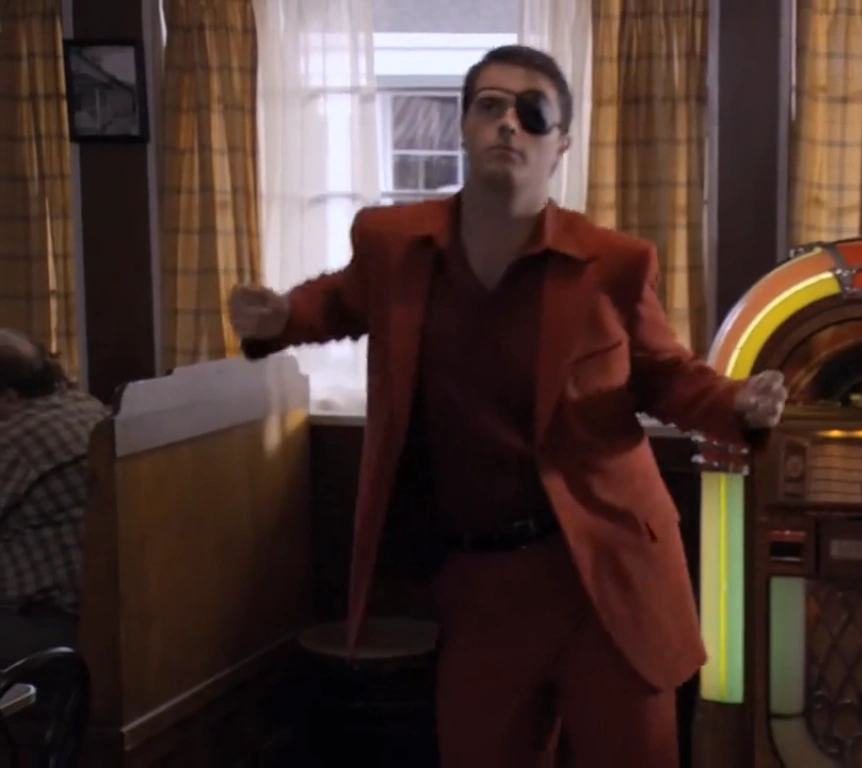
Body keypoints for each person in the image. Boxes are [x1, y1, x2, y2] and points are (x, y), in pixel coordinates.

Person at [229, 45, 787, 767]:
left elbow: (666, 377)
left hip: (607, 575)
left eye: (532, 112)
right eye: (489, 106)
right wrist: (280, 319)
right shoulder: (393, 245)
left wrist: (739, 404)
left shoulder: (613, 263)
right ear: (463, 126)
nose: (508, 124)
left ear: (561, 145)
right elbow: (336, 301)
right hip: (479, 581)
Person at [0, 329, 108, 665]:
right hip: (101, 613)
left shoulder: (15, 440)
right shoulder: (82, 405)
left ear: (8, 398)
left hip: (52, 627)